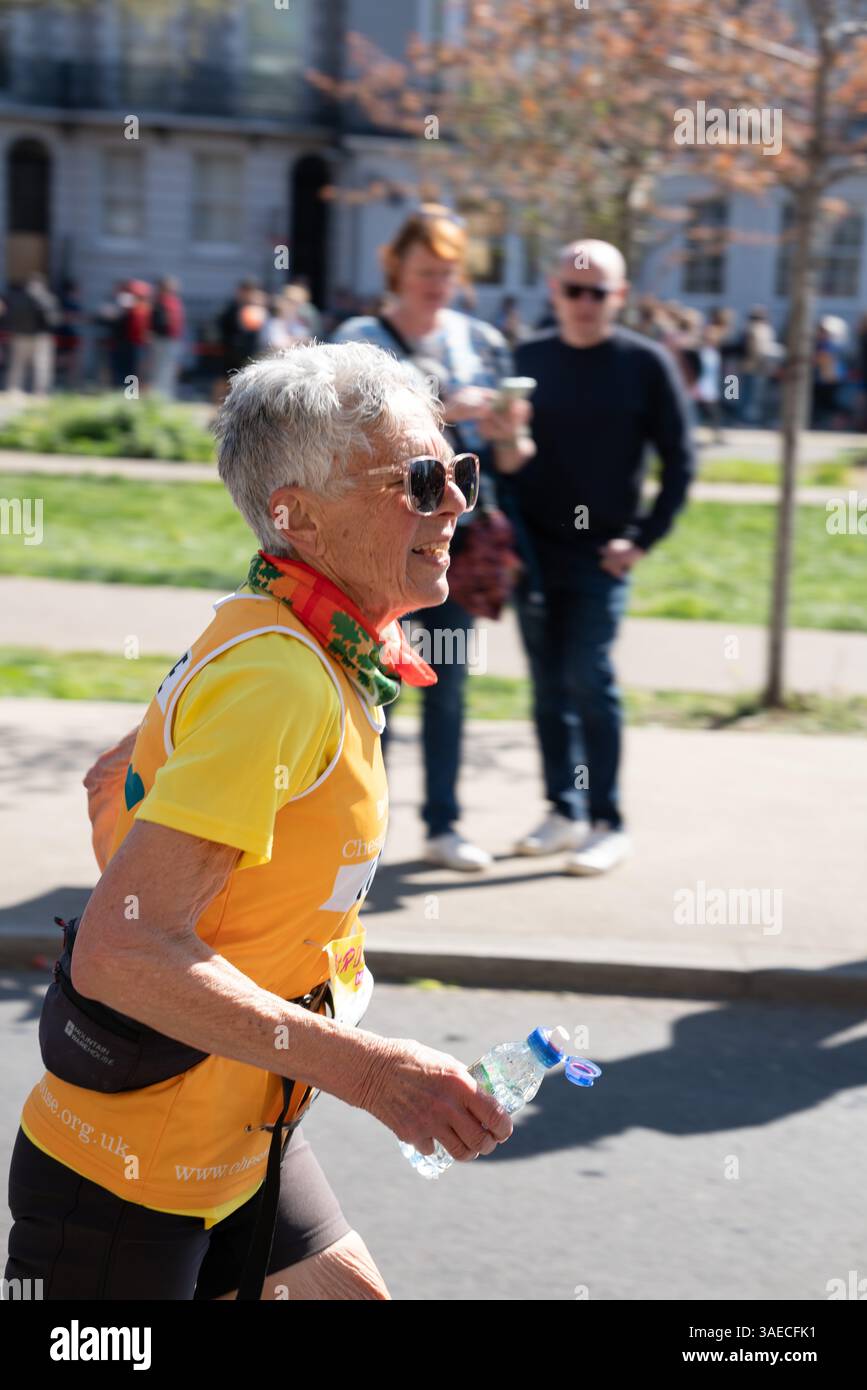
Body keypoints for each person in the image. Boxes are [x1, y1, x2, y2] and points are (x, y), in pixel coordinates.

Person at [4, 342, 513, 1302]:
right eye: (417, 479)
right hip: (131, 1180)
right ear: (297, 514)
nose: (453, 504)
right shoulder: (280, 678)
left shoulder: (281, 631)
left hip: (245, 1137)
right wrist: (376, 1074)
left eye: (458, 473)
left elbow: (112, 780)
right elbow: (118, 953)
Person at [332, 205, 532, 872]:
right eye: (425, 272)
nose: (437, 286)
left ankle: (442, 825)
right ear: (396, 268)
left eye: (447, 274)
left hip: (453, 538)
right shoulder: (360, 336)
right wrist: (445, 408)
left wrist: (509, 435)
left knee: (446, 684)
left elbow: (509, 461)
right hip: (377, 537)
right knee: (370, 681)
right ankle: (357, 830)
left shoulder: (479, 340)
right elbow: (343, 425)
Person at [504, 239, 695, 874]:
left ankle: (608, 819)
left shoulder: (644, 364)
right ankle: (564, 809)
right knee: (547, 685)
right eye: (572, 290)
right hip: (532, 550)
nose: (583, 303)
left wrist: (642, 539)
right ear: (554, 291)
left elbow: (681, 460)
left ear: (619, 297)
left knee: (589, 677)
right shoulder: (527, 359)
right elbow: (506, 455)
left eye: (598, 293)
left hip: (602, 556)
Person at [2, 272, 60, 395]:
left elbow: (8, 316)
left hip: (19, 336)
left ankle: (13, 390)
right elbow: (54, 319)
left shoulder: (16, 297)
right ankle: (40, 393)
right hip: (40, 337)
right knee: (41, 366)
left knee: (17, 365)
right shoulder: (47, 298)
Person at [150, 276, 186, 399]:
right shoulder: (160, 302)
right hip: (162, 339)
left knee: (168, 369)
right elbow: (158, 321)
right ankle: (159, 395)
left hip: (171, 340)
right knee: (161, 369)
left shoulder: (169, 301)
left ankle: (165, 394)